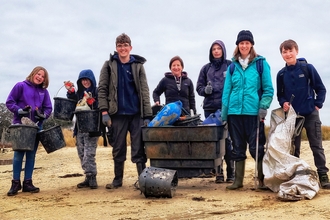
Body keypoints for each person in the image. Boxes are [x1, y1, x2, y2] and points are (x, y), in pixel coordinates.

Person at [98, 33, 152, 189]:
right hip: (117, 114)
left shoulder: (138, 66)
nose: (123, 48)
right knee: (118, 148)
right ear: (116, 48)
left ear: (130, 47)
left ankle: (143, 180)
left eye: (125, 45)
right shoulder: (108, 65)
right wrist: (104, 111)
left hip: (136, 114)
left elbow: (144, 91)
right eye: (120, 45)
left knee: (138, 148)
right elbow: (102, 89)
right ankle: (117, 180)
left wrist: (147, 114)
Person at [221, 30, 274, 190]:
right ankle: (238, 181)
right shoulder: (232, 67)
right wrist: (224, 114)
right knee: (237, 147)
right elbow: (226, 92)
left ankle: (262, 180)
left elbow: (268, 89)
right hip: (234, 114)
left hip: (254, 113)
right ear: (238, 45)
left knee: (256, 147)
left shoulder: (261, 64)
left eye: (247, 43)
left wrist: (264, 106)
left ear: (251, 45)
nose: (244, 45)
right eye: (241, 43)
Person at [276, 39, 330, 189]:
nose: (287, 54)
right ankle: (295, 175)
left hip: (310, 114)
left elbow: (321, 89)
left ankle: (323, 175)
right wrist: (283, 103)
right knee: (294, 148)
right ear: (282, 55)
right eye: (284, 52)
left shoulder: (307, 68)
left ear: (296, 51)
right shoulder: (281, 74)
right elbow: (280, 95)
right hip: (293, 117)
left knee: (316, 146)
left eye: (290, 51)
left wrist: (318, 104)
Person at [5, 66, 52, 196]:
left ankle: (27, 183)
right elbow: (9, 102)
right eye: (38, 74)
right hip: (20, 126)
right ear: (33, 74)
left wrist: (43, 115)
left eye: (43, 76)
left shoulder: (44, 92)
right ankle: (15, 183)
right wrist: (19, 110)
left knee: (31, 155)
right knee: (18, 155)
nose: (40, 77)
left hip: (36, 127)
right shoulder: (20, 86)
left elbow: (48, 108)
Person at [196, 40, 234, 183]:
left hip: (227, 109)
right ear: (211, 52)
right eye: (214, 49)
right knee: (215, 143)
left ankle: (231, 173)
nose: (216, 51)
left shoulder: (230, 65)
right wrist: (205, 90)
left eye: (219, 49)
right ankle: (219, 173)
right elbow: (198, 87)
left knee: (228, 140)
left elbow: (236, 84)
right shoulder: (206, 69)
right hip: (210, 109)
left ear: (223, 50)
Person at [65, 69, 99, 189]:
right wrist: (70, 91)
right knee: (81, 153)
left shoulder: (97, 91)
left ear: (92, 80)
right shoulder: (79, 93)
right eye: (82, 80)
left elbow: (99, 106)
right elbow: (72, 100)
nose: (85, 82)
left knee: (88, 154)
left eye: (87, 79)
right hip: (79, 128)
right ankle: (88, 177)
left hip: (92, 129)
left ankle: (92, 176)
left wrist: (91, 101)